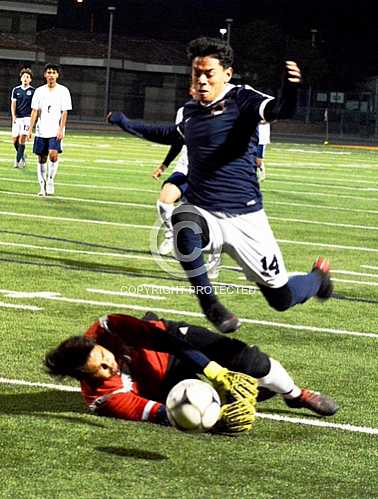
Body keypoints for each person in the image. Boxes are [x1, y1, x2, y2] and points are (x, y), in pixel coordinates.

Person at [108, 37, 333, 334]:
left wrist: (290, 90)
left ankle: (318, 279)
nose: (201, 80)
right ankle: (209, 303)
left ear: (227, 73)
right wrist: (125, 122)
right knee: (182, 221)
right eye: (195, 73)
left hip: (246, 219)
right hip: (206, 213)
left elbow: (280, 110)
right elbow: (167, 133)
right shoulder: (191, 111)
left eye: (208, 73)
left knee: (281, 299)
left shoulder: (243, 98)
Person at [45, 311, 338, 431]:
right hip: (170, 388)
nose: (111, 366)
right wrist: (218, 420)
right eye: (101, 370)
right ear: (86, 379)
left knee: (245, 359)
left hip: (168, 343)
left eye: (103, 357)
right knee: (227, 400)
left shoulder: (109, 327)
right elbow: (166, 414)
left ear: (94, 342)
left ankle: (296, 395)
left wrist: (215, 372)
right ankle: (247, 393)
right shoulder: (105, 399)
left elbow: (167, 341)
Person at [28, 63, 72, 197]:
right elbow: (35, 111)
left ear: (57, 75)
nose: (51, 75)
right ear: (45, 75)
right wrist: (30, 128)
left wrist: (61, 128)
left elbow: (65, 112)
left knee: (53, 155)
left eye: (53, 72)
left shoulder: (63, 91)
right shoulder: (39, 91)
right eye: (49, 72)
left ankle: (51, 180)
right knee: (41, 158)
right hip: (42, 130)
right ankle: (42, 186)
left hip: (55, 130)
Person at [10, 67, 35, 168]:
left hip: (27, 118)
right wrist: (13, 116)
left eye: (27, 77)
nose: (25, 78)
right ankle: (22, 154)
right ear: (21, 78)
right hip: (18, 118)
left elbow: (35, 107)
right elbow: (13, 104)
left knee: (22, 139)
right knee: (14, 140)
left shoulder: (33, 91)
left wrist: (34, 120)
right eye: (24, 76)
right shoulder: (16, 90)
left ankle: (18, 161)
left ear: (30, 79)